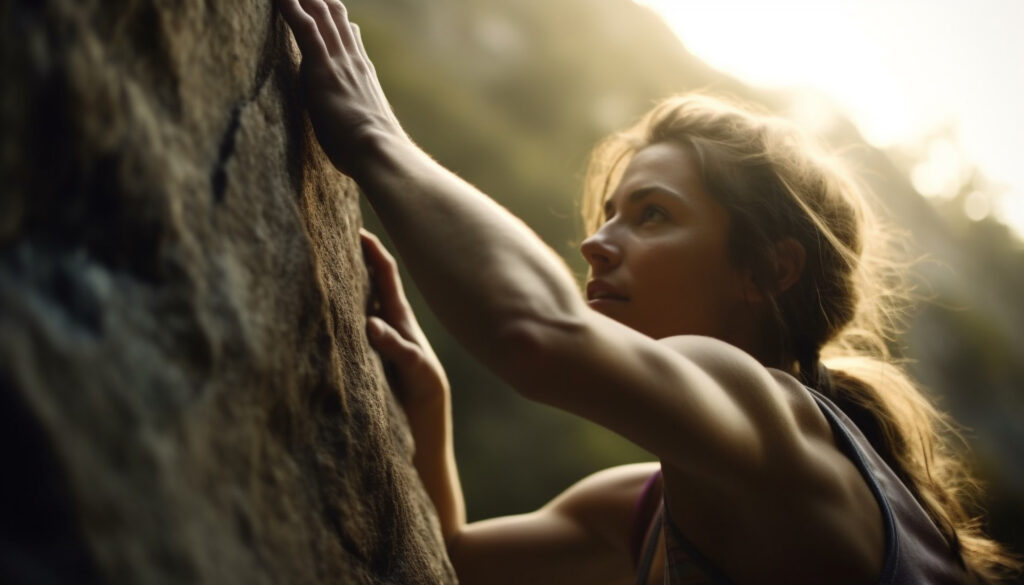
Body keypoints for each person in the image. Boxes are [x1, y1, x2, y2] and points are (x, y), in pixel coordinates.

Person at [277, 1, 1020, 583]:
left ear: (767, 271)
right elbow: (451, 561)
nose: (596, 243)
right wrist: (430, 413)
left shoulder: (772, 415)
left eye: (653, 215)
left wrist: (377, 137)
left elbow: (537, 331)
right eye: (608, 213)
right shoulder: (646, 503)